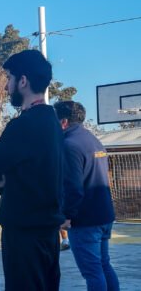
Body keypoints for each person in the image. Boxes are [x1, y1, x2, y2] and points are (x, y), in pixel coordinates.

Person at [0, 50, 64, 291]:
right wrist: (8, 179)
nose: (7, 87)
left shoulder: (23, 125)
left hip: (24, 232)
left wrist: (2, 181)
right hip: (47, 231)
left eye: (9, 79)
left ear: (23, 81)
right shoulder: (53, 122)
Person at [54, 100, 120, 290]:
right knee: (104, 265)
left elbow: (73, 187)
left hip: (85, 220)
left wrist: (66, 215)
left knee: (92, 272)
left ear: (63, 122)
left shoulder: (69, 145)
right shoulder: (93, 140)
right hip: (104, 215)